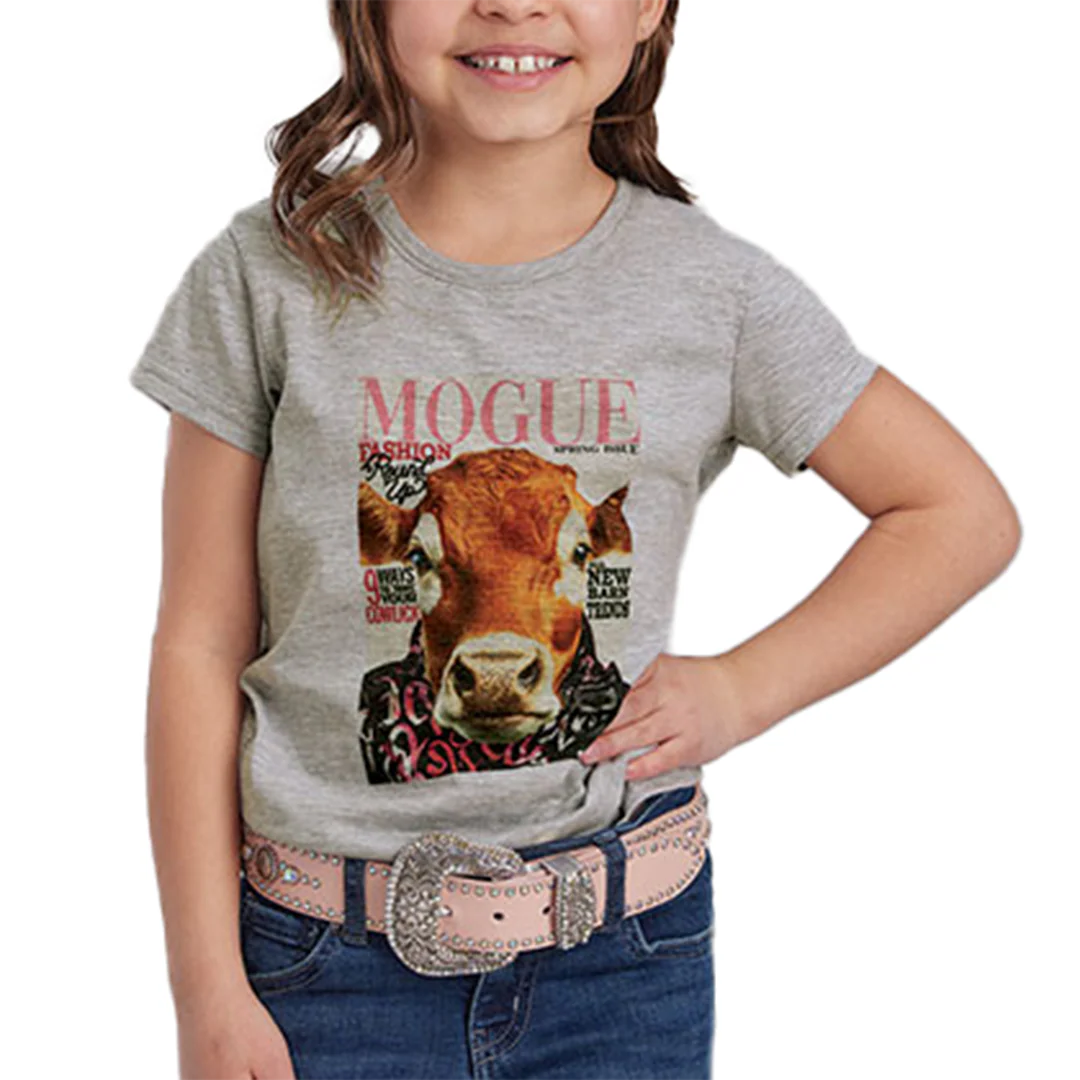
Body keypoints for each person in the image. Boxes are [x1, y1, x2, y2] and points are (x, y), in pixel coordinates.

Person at [128, 1, 1022, 1077]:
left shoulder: (714, 292)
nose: (513, 3)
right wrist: (205, 986)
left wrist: (743, 689)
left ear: (648, 8)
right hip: (323, 963)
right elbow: (199, 641)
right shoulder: (264, 275)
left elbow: (958, 515)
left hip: (621, 963)